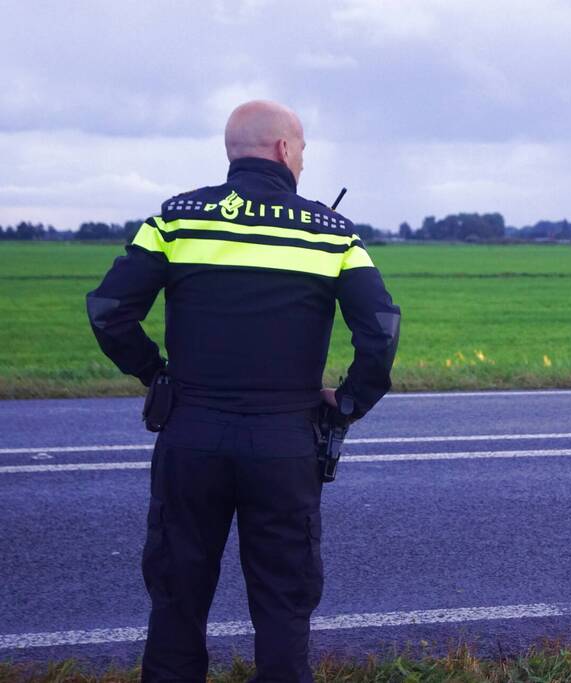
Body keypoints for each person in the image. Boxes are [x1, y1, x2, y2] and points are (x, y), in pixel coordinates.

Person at [86, 100, 400, 682]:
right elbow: (380, 332)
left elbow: (108, 311)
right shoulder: (332, 235)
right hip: (286, 442)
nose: (303, 159)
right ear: (284, 149)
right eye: (302, 148)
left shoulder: (175, 221)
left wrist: (155, 373)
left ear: (234, 151)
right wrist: (350, 402)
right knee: (283, 604)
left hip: (190, 434)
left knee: (178, 598)